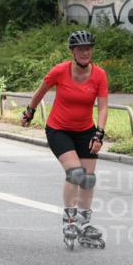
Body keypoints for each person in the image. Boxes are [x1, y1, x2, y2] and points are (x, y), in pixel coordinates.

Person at [21, 30, 109, 249]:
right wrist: (29, 112)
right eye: (80, 49)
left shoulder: (99, 75)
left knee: (88, 178)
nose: (85, 52)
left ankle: (83, 223)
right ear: (73, 52)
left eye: (88, 48)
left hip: (85, 131)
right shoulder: (60, 71)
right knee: (75, 173)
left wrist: (99, 133)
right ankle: (69, 221)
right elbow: (41, 91)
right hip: (58, 129)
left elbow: (104, 106)